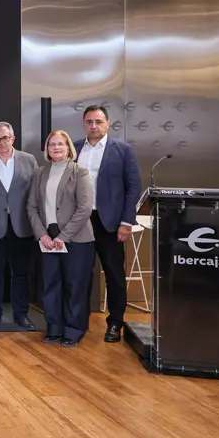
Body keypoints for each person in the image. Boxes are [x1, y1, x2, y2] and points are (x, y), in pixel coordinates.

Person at [74, 105, 141, 343]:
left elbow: (133, 187)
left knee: (114, 274)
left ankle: (115, 323)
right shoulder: (75, 147)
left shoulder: (123, 150)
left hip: (110, 222)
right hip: (80, 221)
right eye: (89, 122)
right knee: (79, 273)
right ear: (84, 124)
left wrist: (126, 222)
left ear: (108, 123)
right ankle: (77, 321)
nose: (94, 126)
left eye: (98, 122)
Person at [28, 130, 95, 347]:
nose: (56, 147)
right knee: (51, 285)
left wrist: (64, 237)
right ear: (47, 149)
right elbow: (32, 207)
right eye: (52, 144)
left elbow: (84, 208)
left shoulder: (79, 172)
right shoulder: (39, 173)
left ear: (68, 148)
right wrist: (42, 234)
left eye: (60, 144)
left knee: (75, 286)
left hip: (77, 239)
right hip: (48, 239)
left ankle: (73, 330)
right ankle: (54, 328)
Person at [0, 122, 38, 329]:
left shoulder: (29, 160)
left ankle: (21, 314)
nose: (1, 142)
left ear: (13, 138)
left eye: (4, 138)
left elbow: (35, 192)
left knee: (21, 273)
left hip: (22, 225)